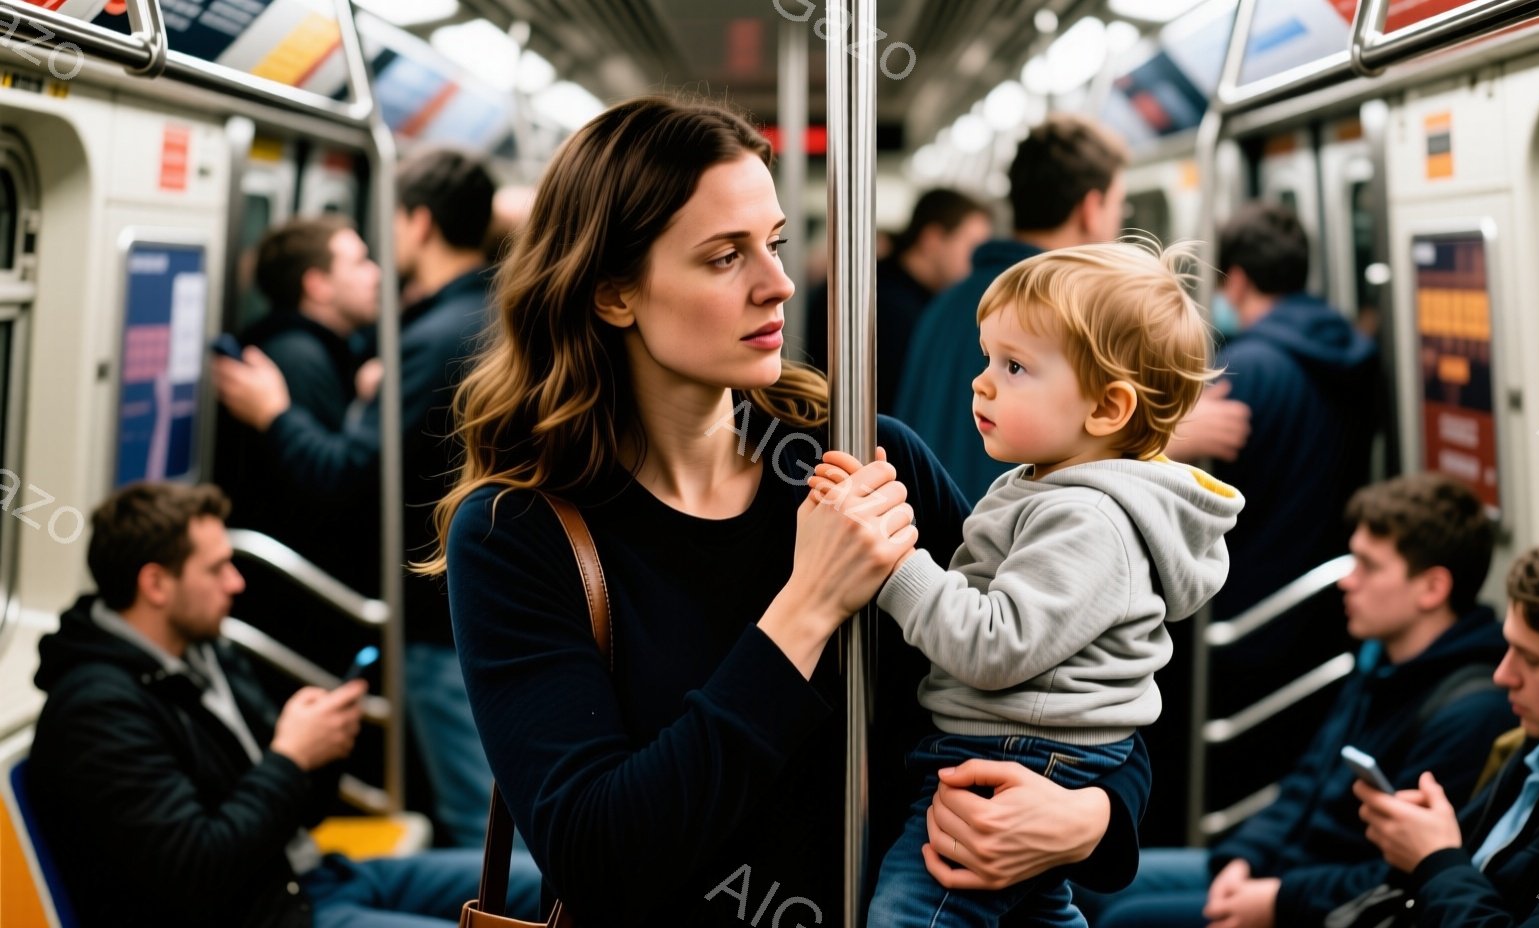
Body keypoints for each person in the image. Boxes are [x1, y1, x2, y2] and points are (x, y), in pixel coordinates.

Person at [422, 96, 1153, 927]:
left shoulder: (869, 459)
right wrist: (804, 610)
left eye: (771, 243)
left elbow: (1073, 681)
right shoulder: (518, 534)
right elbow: (598, 854)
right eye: (724, 257)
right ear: (615, 293)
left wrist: (1088, 819)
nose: (778, 283)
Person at [807, 241, 1241, 926]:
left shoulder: (1087, 517)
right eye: (988, 359)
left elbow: (993, 645)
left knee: (916, 911)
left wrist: (890, 558)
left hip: (1013, 749)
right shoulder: (1046, 485)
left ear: (1106, 409)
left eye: (1014, 367)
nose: (981, 383)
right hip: (1028, 745)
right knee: (1038, 908)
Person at [27, 482, 541, 928]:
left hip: (314, 876)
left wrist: (323, 750)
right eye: (217, 569)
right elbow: (196, 871)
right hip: (264, 915)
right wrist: (291, 760)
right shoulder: (97, 714)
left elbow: (298, 812)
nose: (237, 582)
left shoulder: (207, 653)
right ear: (156, 584)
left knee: (540, 885)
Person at [213, 147, 500, 848]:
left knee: (477, 819)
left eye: (384, 233)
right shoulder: (488, 313)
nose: (377, 259)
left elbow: (344, 475)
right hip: (475, 589)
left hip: (441, 607)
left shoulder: (430, 339)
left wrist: (278, 415)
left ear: (418, 223)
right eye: (355, 259)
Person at [1082, 473, 1517, 928]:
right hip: (1282, 871)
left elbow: (1403, 875)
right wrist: (1245, 858)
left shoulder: (1470, 713)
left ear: (1432, 588)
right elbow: (1306, 781)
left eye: (1369, 566)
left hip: (1321, 904)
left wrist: (1278, 900)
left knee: (1126, 919)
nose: (1348, 581)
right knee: (1091, 883)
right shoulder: (1380, 660)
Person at [1349, 527, 1539, 928]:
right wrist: (1421, 839)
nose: (1502, 675)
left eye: (1531, 661)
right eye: (1508, 647)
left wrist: (1436, 859)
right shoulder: (1534, 747)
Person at [896, 116, 1127, 501]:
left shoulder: (945, 304)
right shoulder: (1069, 318)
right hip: (1011, 543)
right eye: (1120, 206)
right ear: (1091, 208)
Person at [1200, 202, 1379, 621]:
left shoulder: (1239, 371)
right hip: (1330, 592)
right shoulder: (1351, 349)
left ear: (1238, 281)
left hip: (1251, 601)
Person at [218, 216, 382, 596]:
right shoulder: (299, 360)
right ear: (317, 285)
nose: (375, 274)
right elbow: (317, 492)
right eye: (360, 263)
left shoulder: (326, 351)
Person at [800, 187, 991, 413]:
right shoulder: (889, 306)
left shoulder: (886, 285)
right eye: (973, 247)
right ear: (932, 240)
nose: (978, 261)